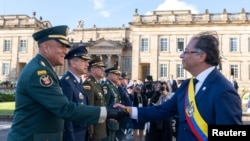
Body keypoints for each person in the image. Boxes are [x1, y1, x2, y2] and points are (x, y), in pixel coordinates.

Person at [114, 31, 242, 141]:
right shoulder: (188, 85)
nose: (181, 55)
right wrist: (128, 110)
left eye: (186, 52)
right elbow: (163, 110)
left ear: (201, 56)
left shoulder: (223, 90)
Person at [7, 25, 128, 141]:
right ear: (45, 47)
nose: (66, 51)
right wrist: (106, 111)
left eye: (66, 47)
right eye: (62, 46)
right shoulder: (39, 72)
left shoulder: (43, 68)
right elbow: (64, 108)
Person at [60, 46, 91, 141]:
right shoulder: (67, 82)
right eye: (84, 61)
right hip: (74, 135)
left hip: (81, 134)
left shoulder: (77, 82)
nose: (87, 64)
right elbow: (67, 115)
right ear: (73, 63)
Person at [83, 56, 108, 141]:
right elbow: (90, 108)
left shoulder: (97, 84)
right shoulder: (89, 84)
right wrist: (91, 131)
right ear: (93, 69)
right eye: (100, 68)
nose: (103, 70)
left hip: (100, 128)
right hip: (94, 129)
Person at [102, 65, 123, 141]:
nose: (118, 76)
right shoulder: (106, 86)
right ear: (110, 75)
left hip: (114, 119)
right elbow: (105, 104)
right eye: (116, 74)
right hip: (108, 120)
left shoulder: (113, 87)